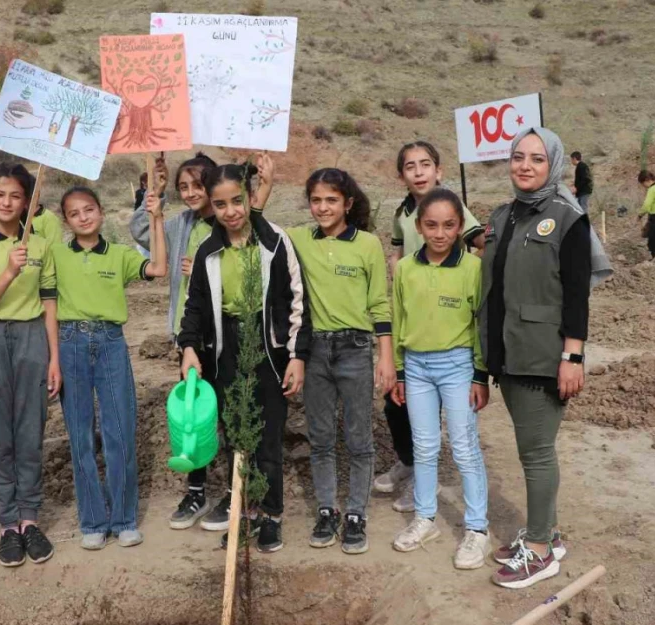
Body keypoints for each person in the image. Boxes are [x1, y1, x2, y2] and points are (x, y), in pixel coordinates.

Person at [130, 152, 274, 532]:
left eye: (197, 185)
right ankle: (195, 488)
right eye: (184, 187)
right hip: (189, 336)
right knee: (190, 416)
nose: (191, 193)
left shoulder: (224, 228)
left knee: (228, 415)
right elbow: (144, 233)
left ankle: (233, 490)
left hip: (225, 335)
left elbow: (251, 229)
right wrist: (152, 196)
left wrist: (263, 184)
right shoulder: (181, 223)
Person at [481, 127, 597, 589]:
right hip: (507, 353)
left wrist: (573, 354)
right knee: (532, 449)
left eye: (536, 159)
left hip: (542, 354)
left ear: (554, 165)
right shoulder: (502, 214)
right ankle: (545, 531)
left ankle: (542, 551)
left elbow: (576, 296)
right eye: (517, 157)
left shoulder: (567, 218)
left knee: (536, 453)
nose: (524, 166)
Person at [177, 163, 309, 554]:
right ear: (211, 206)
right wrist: (188, 347)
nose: (231, 211)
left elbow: (297, 302)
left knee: (268, 436)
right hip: (226, 350)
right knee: (236, 433)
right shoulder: (207, 251)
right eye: (220, 205)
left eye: (237, 200)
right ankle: (244, 511)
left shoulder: (275, 242)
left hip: (269, 349)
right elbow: (194, 306)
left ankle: (271, 516)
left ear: (250, 197)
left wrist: (297, 356)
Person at [285, 168, 392, 555]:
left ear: (348, 203)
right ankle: (327, 510)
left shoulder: (367, 244)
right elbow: (257, 225)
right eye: (316, 200)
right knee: (322, 439)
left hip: (356, 350)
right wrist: (261, 179)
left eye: (331, 200)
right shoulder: (298, 239)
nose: (322, 207)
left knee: (360, 439)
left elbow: (379, 304)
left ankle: (356, 515)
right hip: (315, 352)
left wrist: (386, 357)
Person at [54, 185, 167, 550]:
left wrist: (157, 218)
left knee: (119, 431)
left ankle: (123, 518)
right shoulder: (57, 255)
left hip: (110, 344)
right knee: (80, 435)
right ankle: (93, 522)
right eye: (74, 213)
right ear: (66, 221)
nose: (83, 217)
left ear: (101, 212)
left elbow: (159, 267)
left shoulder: (119, 254)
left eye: (89, 209)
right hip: (70, 343)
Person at [378, 141, 486, 513]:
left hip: (450, 319)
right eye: (411, 166)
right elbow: (396, 252)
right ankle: (412, 470)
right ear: (402, 175)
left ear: (439, 170)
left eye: (426, 164)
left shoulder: (451, 207)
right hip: (414, 311)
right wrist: (397, 274)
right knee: (400, 409)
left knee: (460, 437)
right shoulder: (401, 213)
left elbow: (479, 241)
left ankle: (471, 519)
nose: (419, 171)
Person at [388, 188, 491, 569]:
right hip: (416, 368)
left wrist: (480, 376)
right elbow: (399, 322)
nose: (440, 233)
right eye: (431, 225)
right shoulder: (406, 270)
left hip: (458, 366)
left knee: (464, 448)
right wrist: (399, 371)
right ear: (418, 227)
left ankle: (477, 529)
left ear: (461, 227)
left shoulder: (473, 269)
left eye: (449, 225)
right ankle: (425, 518)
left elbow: (479, 325)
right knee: (426, 447)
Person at [0, 162, 61, 568]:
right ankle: (7, 523)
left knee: (30, 430)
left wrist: (54, 357)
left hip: (31, 339)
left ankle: (29, 519)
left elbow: (50, 304)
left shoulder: (41, 246)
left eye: (16, 195)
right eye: (0, 194)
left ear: (29, 201)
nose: (7, 202)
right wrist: (8, 271)